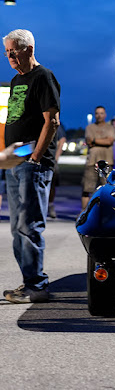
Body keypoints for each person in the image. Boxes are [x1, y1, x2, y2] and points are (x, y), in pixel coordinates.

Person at [2, 29, 60, 303]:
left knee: (30, 226)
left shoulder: (43, 77)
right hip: (16, 162)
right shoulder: (16, 80)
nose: (9, 55)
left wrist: (36, 157)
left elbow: (52, 121)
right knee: (17, 228)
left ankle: (36, 287)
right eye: (6, 51)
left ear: (28, 49)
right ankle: (28, 283)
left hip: (32, 164)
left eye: (13, 50)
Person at [82, 105, 115, 209]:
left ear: (105, 115)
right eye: (97, 113)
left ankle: (108, 212)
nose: (99, 115)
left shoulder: (110, 128)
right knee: (87, 189)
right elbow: (88, 141)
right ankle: (83, 213)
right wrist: (103, 140)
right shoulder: (89, 127)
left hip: (107, 162)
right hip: (92, 162)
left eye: (101, 113)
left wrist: (95, 140)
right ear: (94, 114)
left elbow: (110, 141)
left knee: (108, 189)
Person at [47, 124, 66, 218]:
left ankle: (50, 205)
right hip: (39, 158)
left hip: (51, 158)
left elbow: (62, 140)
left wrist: (56, 157)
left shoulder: (56, 123)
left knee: (52, 184)